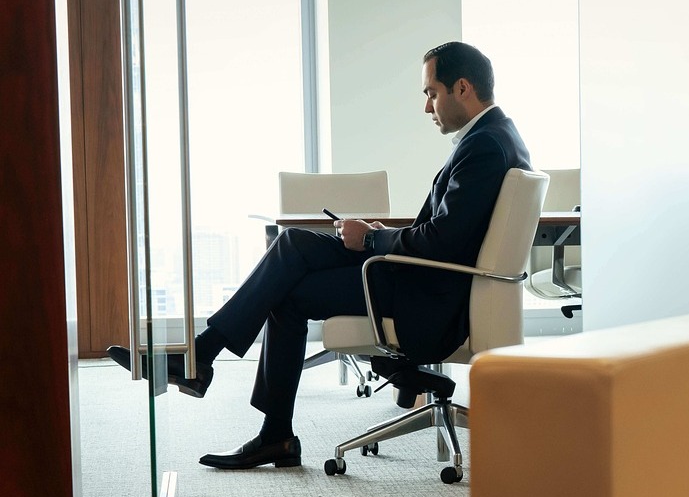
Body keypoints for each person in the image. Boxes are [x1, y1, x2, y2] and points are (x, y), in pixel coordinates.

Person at [108, 41, 532, 469]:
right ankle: (216, 371)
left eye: (431, 93)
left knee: (287, 288)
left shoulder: (484, 147)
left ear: (462, 88)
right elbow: (446, 233)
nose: (427, 107)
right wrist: (379, 235)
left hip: (425, 300)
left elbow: (441, 242)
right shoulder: (493, 137)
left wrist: (370, 241)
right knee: (293, 244)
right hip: (420, 281)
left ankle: (227, 386)